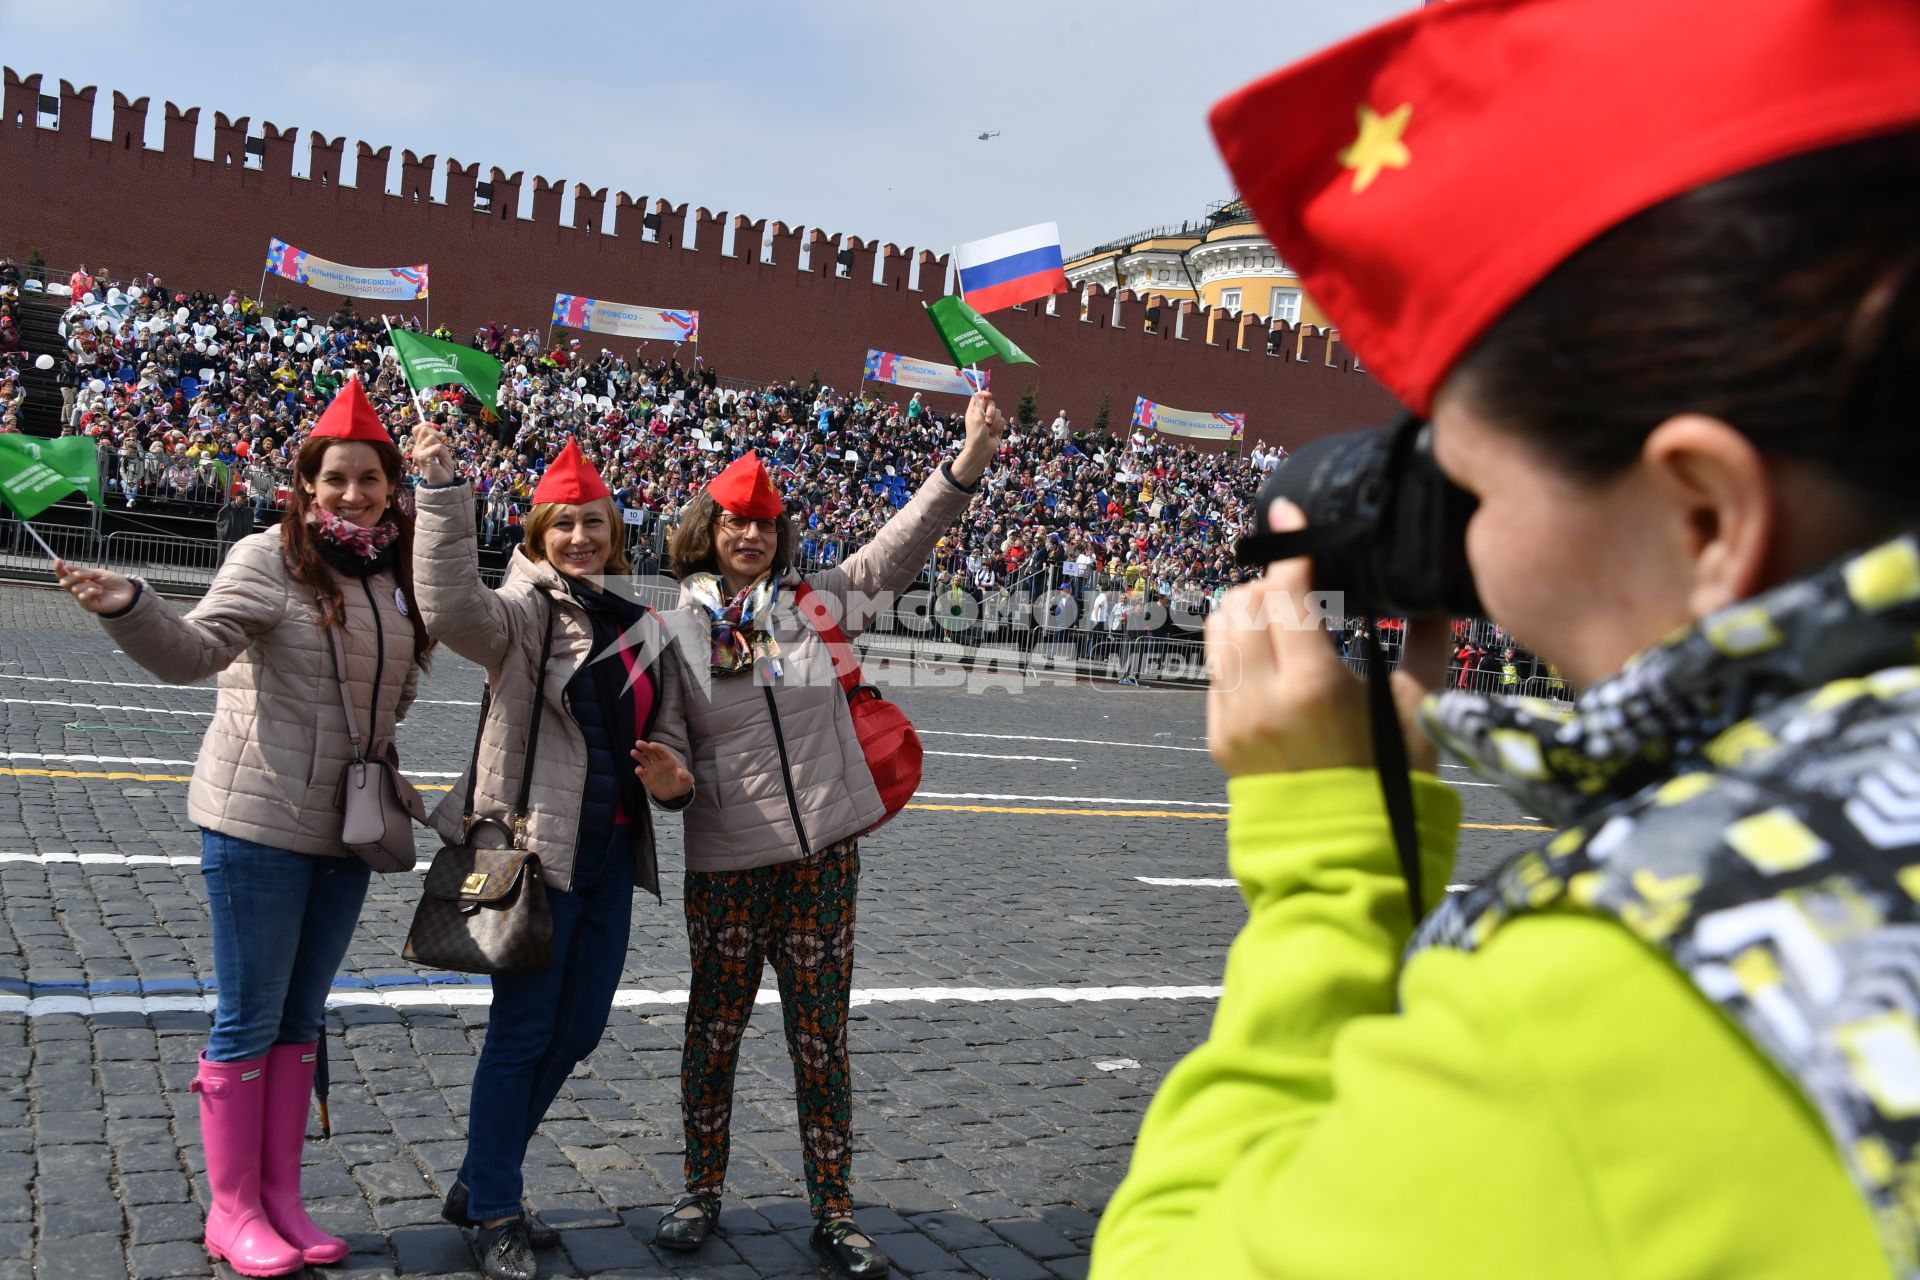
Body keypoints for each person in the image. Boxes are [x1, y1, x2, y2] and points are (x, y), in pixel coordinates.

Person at [1093, 0, 1920, 1276]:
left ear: (1703, 513)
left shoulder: (1617, 1008)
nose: (1462, 544)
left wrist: (1329, 865)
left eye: (1475, 484)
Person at [53, 378, 432, 1277]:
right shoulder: (270, 558)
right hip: (258, 822)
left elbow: (397, 692)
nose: (352, 494)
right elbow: (194, 654)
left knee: (303, 1018)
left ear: (390, 488)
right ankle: (232, 1212)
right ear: (304, 486)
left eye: (369, 479)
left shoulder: (395, 573)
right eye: (334, 478)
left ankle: (283, 1198)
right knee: (250, 1017)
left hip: (348, 826)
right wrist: (128, 606)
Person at [643, 391, 1005, 1278]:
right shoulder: (675, 631)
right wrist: (675, 784)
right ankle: (699, 1189)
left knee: (821, 1039)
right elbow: (674, 748)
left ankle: (835, 1210)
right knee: (713, 1033)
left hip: (821, 864)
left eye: (765, 524)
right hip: (728, 865)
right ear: (707, 530)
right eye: (736, 523)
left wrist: (965, 464)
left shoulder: (820, 606)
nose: (751, 537)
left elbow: (903, 545)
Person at [408, 429, 694, 1280]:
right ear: (538, 533)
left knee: (578, 1030)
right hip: (533, 856)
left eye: (595, 526)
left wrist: (674, 777)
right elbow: (451, 606)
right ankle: (495, 1203)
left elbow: (670, 723)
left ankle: (478, 1176)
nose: (580, 539)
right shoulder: (525, 613)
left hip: (609, 859)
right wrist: (441, 491)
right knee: (524, 1028)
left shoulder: (645, 626)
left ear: (615, 535)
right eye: (563, 525)